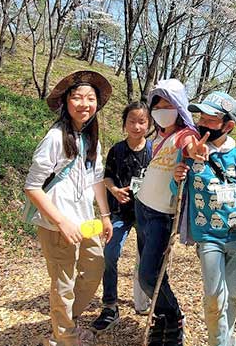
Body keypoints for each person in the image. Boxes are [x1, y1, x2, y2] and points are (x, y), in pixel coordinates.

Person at [25, 71, 115, 346]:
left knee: (94, 269)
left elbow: (97, 178)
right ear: (65, 102)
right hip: (56, 222)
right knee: (63, 282)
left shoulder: (91, 139)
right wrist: (61, 221)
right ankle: (65, 337)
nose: (84, 104)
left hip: (84, 220)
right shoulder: (54, 138)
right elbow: (32, 186)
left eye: (90, 98)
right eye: (77, 97)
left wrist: (105, 215)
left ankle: (65, 322)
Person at [174, 91, 236, 346]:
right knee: (214, 297)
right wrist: (176, 178)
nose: (203, 122)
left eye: (211, 119)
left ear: (228, 125)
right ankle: (219, 342)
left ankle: (225, 337)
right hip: (208, 236)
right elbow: (176, 193)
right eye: (201, 116)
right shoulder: (191, 152)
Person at [135, 79, 201, 346]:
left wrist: (198, 152)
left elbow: (193, 148)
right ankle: (162, 318)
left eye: (168, 104)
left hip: (162, 215)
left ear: (179, 107)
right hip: (143, 208)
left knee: (148, 275)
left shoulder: (185, 135)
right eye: (157, 105)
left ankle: (174, 316)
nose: (162, 110)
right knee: (153, 270)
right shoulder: (158, 138)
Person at [92, 101, 153, 331]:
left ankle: (148, 301)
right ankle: (110, 305)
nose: (136, 126)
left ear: (149, 123)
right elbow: (106, 177)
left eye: (142, 121)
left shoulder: (154, 151)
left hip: (146, 213)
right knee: (110, 254)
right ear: (124, 123)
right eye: (132, 121)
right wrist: (114, 190)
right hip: (120, 211)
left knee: (149, 257)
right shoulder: (117, 150)